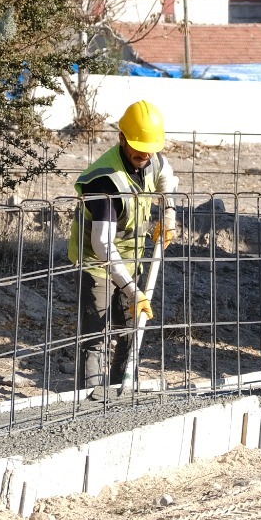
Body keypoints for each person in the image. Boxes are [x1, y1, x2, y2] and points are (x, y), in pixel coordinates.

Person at [68, 100, 178, 396]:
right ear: (121, 138)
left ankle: (119, 390)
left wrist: (169, 214)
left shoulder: (151, 156)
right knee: (96, 338)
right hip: (98, 265)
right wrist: (133, 291)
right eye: (138, 147)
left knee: (132, 330)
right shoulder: (104, 182)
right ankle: (89, 399)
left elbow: (167, 174)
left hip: (131, 260)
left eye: (149, 147)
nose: (144, 154)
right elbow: (101, 244)